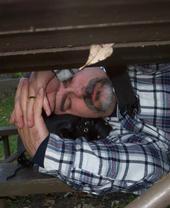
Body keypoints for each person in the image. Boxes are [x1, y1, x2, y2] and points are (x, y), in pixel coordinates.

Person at [10, 64, 170, 195]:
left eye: (69, 78)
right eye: (67, 103)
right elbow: (153, 170)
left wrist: (51, 63)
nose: (79, 92)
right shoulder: (122, 140)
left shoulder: (138, 65)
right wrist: (46, 151)